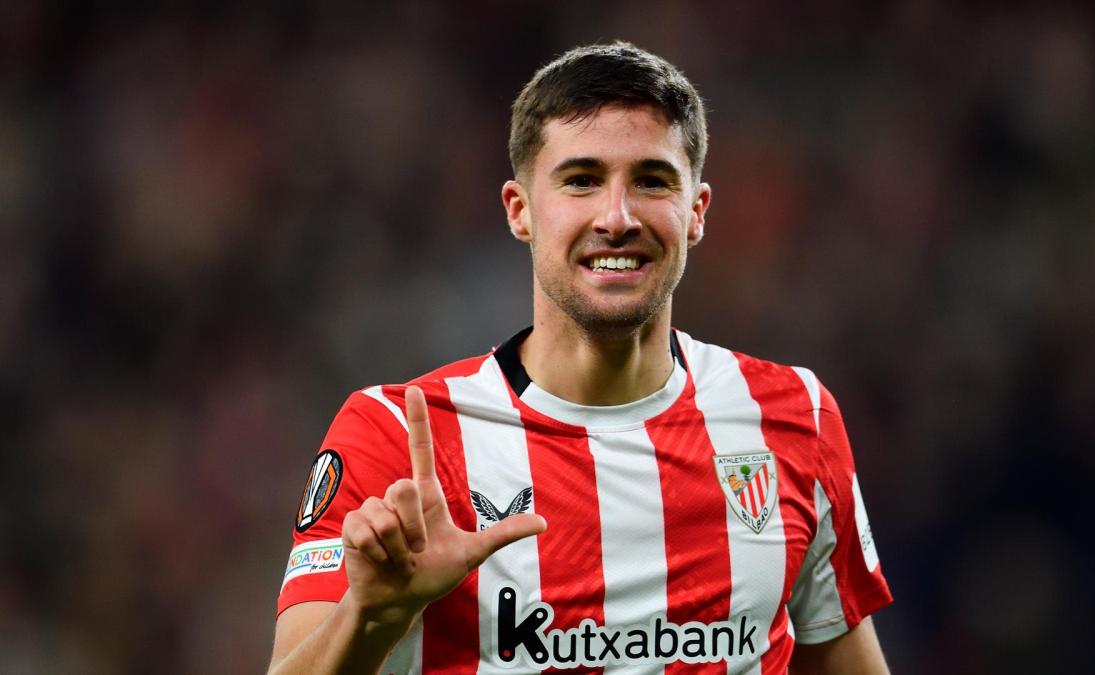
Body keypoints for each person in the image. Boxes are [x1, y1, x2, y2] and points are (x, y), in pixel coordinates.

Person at [268, 41, 892, 674]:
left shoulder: (796, 417)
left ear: (696, 212)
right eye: (582, 180)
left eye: (652, 180)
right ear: (521, 212)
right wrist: (371, 618)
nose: (616, 217)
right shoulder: (397, 434)